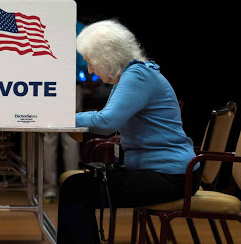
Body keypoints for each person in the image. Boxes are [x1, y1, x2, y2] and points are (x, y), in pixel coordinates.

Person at [56, 19, 201, 243]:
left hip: (172, 176)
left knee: (76, 189)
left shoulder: (137, 76)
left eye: (91, 61)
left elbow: (106, 122)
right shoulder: (133, 75)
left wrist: (61, 117)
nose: (90, 70)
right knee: (75, 187)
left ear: (107, 55)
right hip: (164, 172)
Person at [42, 21, 85, 201]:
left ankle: (48, 188)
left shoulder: (44, 22)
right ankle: (72, 185)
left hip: (45, 85)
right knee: (71, 136)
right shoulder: (78, 27)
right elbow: (84, 61)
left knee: (48, 137)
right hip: (70, 83)